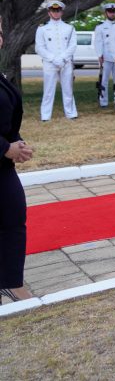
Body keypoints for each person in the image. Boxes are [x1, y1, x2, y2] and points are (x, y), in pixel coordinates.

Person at [0, 19, 35, 303]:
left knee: (13, 218)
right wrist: (4, 148)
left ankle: (11, 281)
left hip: (3, 165)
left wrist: (17, 144)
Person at [35, 0, 78, 122]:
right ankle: (45, 115)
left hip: (66, 63)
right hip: (50, 63)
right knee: (48, 90)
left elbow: (73, 46)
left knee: (68, 89)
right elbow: (39, 47)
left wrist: (63, 58)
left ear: (62, 12)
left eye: (58, 10)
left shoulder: (69, 28)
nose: (56, 13)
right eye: (53, 10)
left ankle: (71, 113)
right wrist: (53, 59)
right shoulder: (42, 29)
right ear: (49, 12)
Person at [93, 3, 115, 108]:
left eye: (113, 11)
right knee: (104, 80)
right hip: (105, 57)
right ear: (106, 13)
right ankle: (103, 101)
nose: (112, 13)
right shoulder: (100, 27)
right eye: (110, 11)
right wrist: (99, 55)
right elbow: (98, 42)